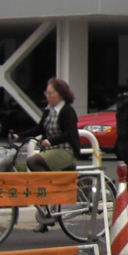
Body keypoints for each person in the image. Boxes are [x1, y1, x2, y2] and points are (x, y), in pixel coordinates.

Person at [15, 77, 82, 230]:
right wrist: (19, 136)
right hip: (52, 151)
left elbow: (70, 133)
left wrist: (52, 141)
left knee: (33, 162)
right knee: (38, 171)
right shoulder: (48, 111)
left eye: (50, 93)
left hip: (66, 151)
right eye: (47, 92)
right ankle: (46, 212)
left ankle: (49, 196)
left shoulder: (67, 111)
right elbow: (38, 129)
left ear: (60, 95)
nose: (47, 95)